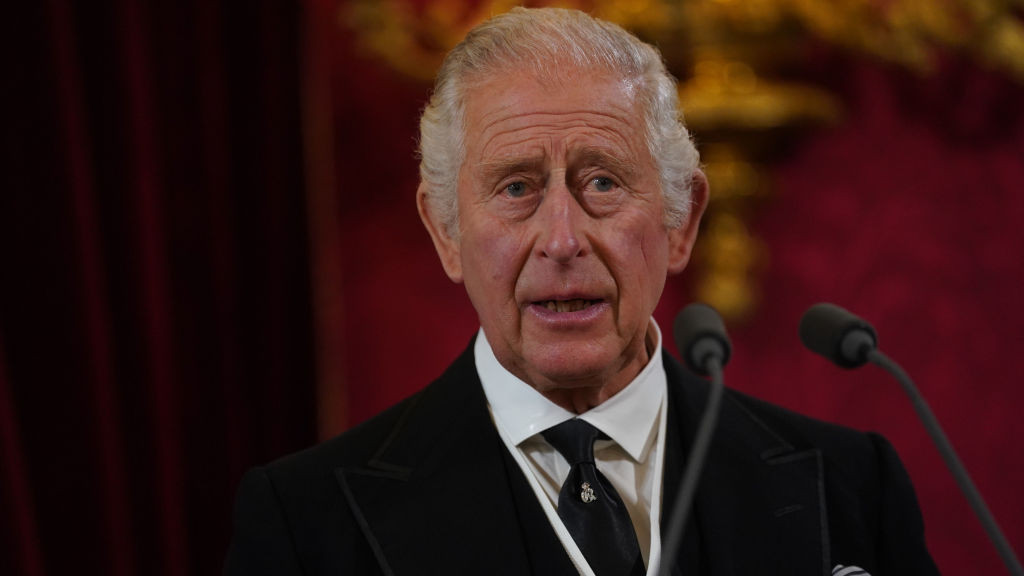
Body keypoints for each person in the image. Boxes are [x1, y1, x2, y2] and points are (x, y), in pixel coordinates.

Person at [225, 7, 938, 575]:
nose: (562, 239)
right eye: (516, 188)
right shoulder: (307, 523)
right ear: (446, 230)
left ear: (681, 219)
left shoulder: (852, 488)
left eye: (602, 181)